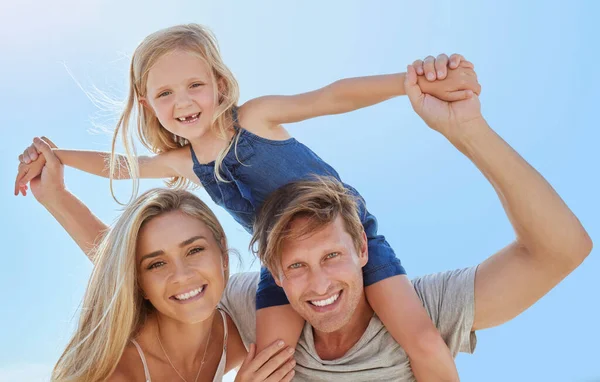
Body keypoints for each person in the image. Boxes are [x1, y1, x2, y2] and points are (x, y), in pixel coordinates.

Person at [15, 23, 481, 380]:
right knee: (270, 365)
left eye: (194, 85)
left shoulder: (255, 119)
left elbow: (332, 96)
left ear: (218, 83)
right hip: (280, 264)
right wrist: (56, 157)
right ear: (146, 103)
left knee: (421, 339)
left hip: (349, 243)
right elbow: (125, 166)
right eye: (164, 93)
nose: (183, 101)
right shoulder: (185, 160)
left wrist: (412, 82)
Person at [217, 64, 593, 380]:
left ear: (363, 248)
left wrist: (468, 131)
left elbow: (562, 251)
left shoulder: (425, 308)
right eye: (297, 265)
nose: (319, 284)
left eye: (332, 255)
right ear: (276, 274)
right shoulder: (256, 312)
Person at [25, 149, 302, 381]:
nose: (182, 276)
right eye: (156, 264)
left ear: (224, 257)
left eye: (194, 250)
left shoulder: (244, 307)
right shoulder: (120, 373)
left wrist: (55, 196)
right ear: (140, 285)